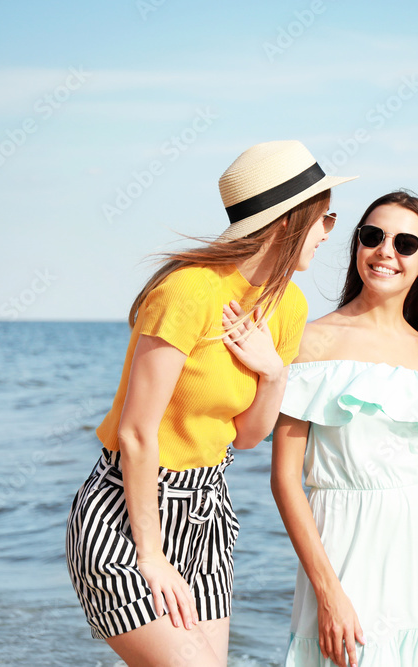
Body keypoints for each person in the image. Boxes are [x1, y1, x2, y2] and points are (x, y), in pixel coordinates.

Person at [65, 140, 355, 666]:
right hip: (127, 515)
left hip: (205, 516)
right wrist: (150, 556)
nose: (329, 233)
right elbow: (136, 433)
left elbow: (245, 437)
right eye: (325, 219)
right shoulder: (188, 292)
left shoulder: (288, 303)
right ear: (290, 223)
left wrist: (272, 373)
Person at [271, 191, 418, 667]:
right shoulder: (312, 341)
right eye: (373, 237)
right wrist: (328, 590)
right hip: (340, 552)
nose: (385, 252)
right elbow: (283, 481)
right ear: (357, 245)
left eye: (404, 243)